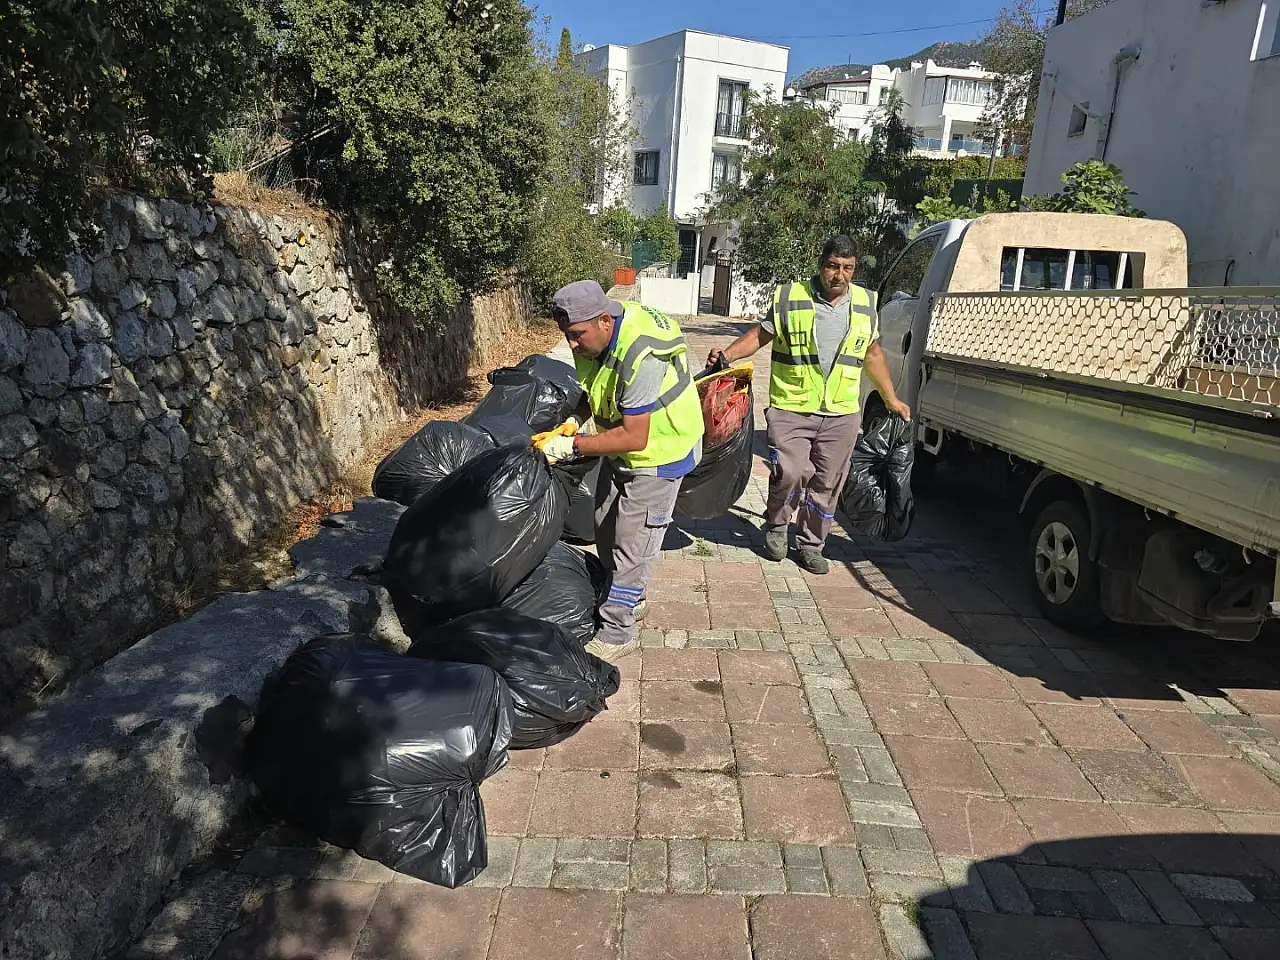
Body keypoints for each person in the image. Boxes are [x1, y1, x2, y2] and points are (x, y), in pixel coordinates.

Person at [707, 235, 910, 574]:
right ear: (821, 265)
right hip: (792, 406)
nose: (839, 275)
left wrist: (891, 399)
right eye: (833, 266)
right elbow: (760, 336)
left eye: (847, 268)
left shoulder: (865, 302)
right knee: (791, 473)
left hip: (841, 412)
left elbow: (872, 354)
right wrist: (726, 355)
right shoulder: (791, 297)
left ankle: (812, 545)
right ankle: (776, 524)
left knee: (828, 482)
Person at [539, 280, 705, 662]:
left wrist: (572, 446)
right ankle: (632, 595)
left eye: (577, 335)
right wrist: (574, 421)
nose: (572, 345)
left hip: (661, 451)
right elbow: (593, 388)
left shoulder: (640, 353)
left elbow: (635, 437)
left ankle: (617, 632)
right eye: (567, 336)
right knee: (606, 526)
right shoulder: (591, 337)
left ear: (603, 321)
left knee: (634, 543)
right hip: (625, 449)